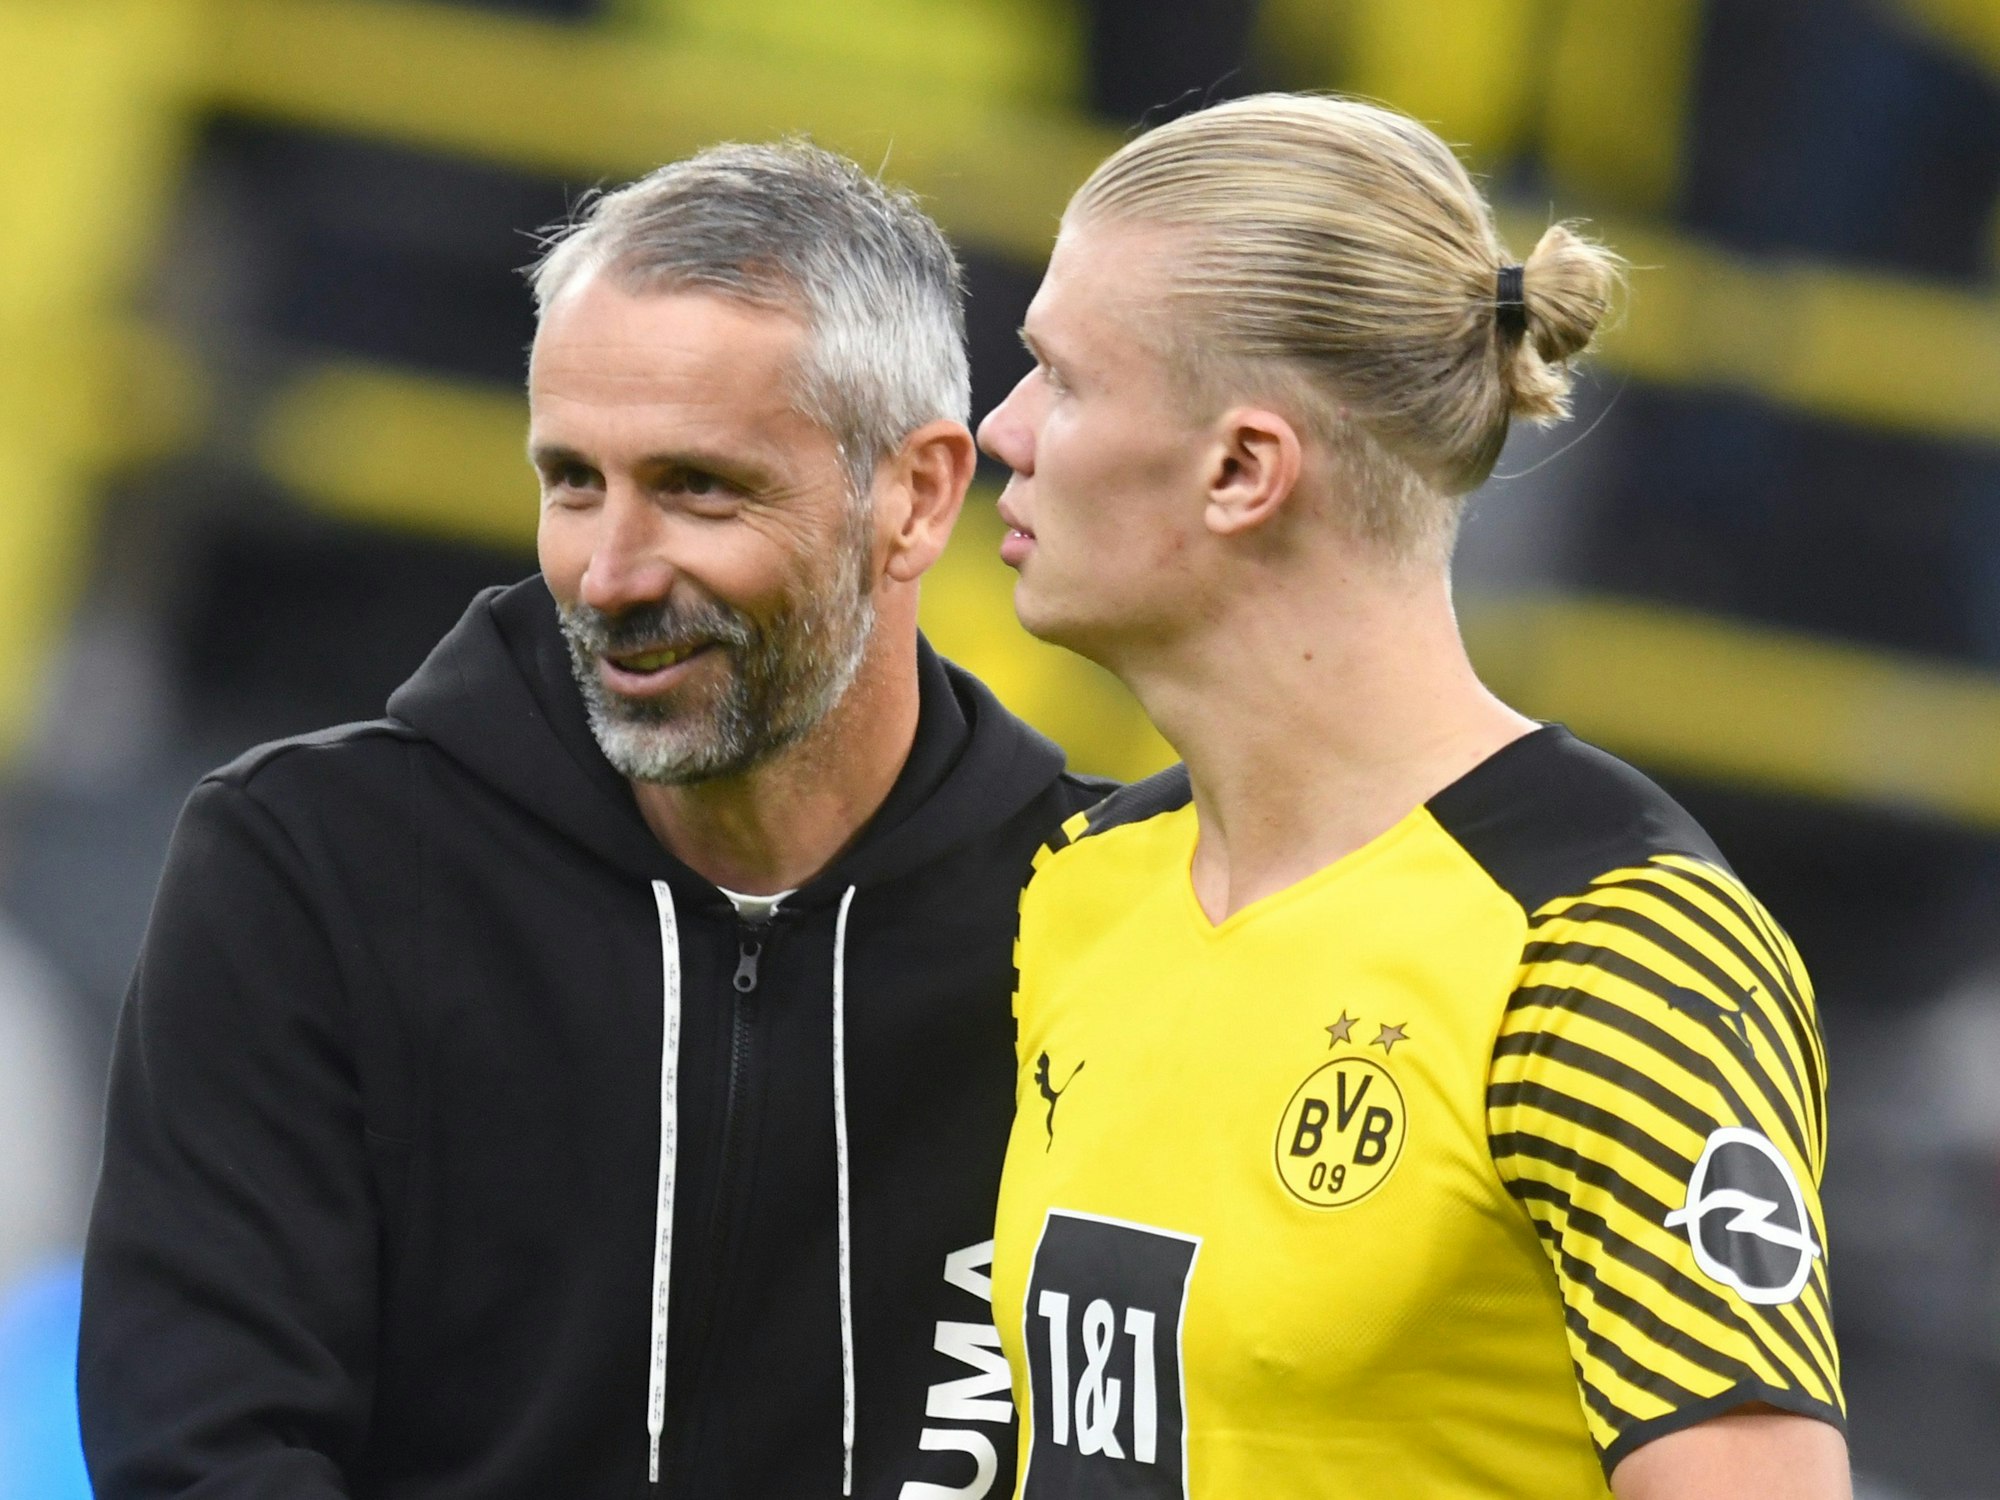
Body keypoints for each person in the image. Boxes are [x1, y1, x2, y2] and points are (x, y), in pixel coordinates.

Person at [80, 141, 1104, 1500]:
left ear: (915, 496)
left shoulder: (1107, 911)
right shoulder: (311, 865)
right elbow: (203, 1455)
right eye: (572, 480)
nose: (610, 574)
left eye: (696, 487)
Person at [977, 95, 1848, 1499]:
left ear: (1243, 469)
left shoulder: (1607, 946)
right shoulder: (1079, 888)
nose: (1002, 428)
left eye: (1062, 379)